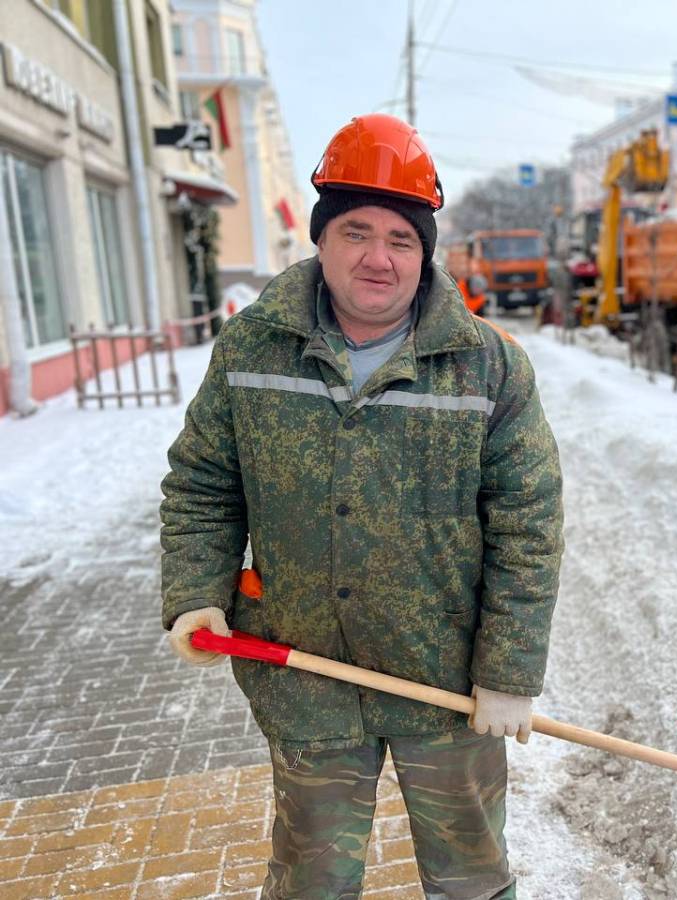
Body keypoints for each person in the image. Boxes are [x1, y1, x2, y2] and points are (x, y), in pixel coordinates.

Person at [159, 113, 564, 900]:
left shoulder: (488, 367)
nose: (378, 258)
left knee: (471, 880)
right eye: (356, 231)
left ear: (425, 253)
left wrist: (509, 670)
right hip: (305, 677)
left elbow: (529, 524)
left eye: (401, 239)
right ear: (321, 240)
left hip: (446, 685)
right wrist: (197, 594)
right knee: (311, 881)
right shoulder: (251, 349)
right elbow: (204, 483)